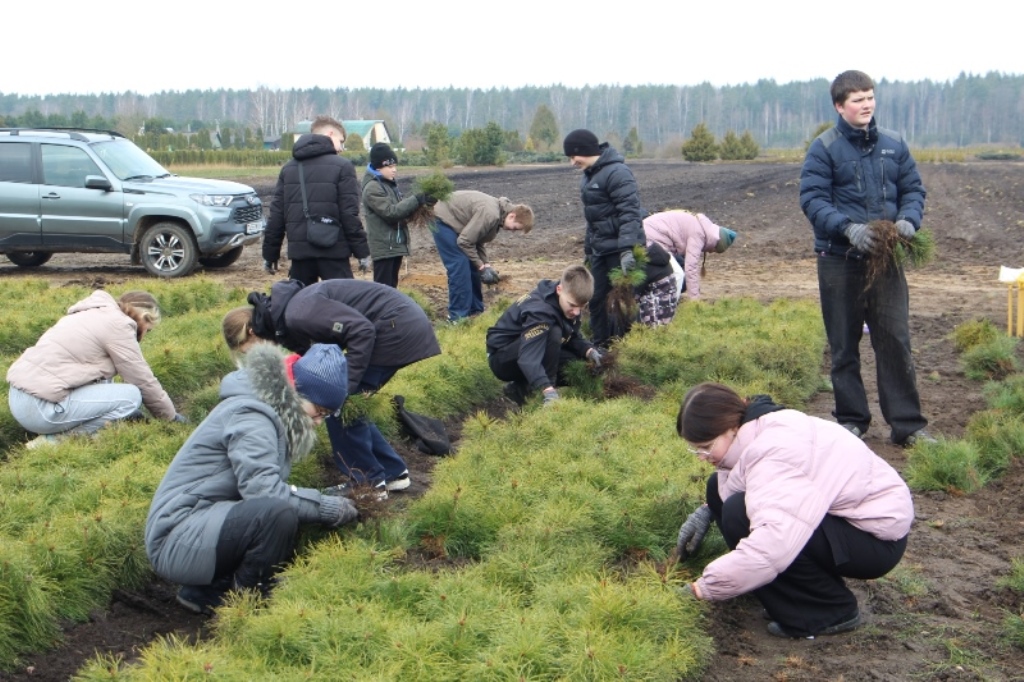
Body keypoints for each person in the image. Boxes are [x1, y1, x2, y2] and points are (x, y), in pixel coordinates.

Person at [674, 382, 912, 639]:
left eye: (707, 446)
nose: (701, 456)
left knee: (738, 513)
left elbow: (774, 542)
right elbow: (742, 485)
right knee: (719, 493)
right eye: (695, 449)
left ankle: (829, 611)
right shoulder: (758, 427)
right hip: (847, 521)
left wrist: (702, 589)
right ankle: (789, 596)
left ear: (732, 428)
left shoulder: (775, 453)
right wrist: (708, 509)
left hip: (874, 539)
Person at [145, 343, 359, 615]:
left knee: (282, 510)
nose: (318, 421)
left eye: (326, 415)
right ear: (294, 392)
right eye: (317, 410)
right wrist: (325, 506)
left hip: (199, 527)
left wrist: (320, 499)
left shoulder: (270, 412)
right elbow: (264, 493)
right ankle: (245, 602)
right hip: (176, 538)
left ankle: (205, 590)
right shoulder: (253, 416)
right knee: (276, 513)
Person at [799, 70, 932, 447]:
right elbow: (812, 199)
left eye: (870, 97)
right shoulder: (824, 149)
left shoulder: (893, 144)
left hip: (885, 260)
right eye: (857, 99)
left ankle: (907, 426)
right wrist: (848, 228)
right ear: (840, 107)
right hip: (839, 260)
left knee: (895, 340)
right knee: (843, 344)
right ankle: (852, 421)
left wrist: (908, 220)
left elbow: (913, 189)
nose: (866, 105)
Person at [226, 278, 441, 496]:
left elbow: (362, 330)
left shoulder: (298, 313)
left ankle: (367, 485)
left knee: (335, 404)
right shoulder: (286, 318)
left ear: (252, 333)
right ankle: (392, 473)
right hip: (394, 324)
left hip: (395, 327)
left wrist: (344, 387)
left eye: (249, 351)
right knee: (347, 404)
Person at [6, 290, 184, 448]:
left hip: (20, 400)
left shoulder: (92, 314)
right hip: (42, 409)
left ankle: (61, 435)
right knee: (131, 396)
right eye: (149, 330)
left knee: (124, 400)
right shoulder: (119, 325)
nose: (145, 335)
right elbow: (142, 379)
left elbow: (98, 381)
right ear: (144, 318)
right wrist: (171, 418)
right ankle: (55, 441)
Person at [262, 115, 371, 286]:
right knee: (342, 306)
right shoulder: (343, 167)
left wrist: (270, 254)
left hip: (301, 256)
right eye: (341, 141)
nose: (342, 148)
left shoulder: (289, 169)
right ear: (329, 135)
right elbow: (349, 214)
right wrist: (362, 252)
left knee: (300, 307)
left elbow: (276, 216)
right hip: (334, 252)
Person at [563, 128, 646, 349]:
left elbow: (630, 212)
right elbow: (592, 220)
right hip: (600, 251)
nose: (572, 163)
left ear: (586, 151)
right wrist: (589, 251)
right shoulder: (588, 177)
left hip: (620, 252)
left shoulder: (618, 172)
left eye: (573, 156)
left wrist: (628, 249)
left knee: (626, 301)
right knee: (596, 298)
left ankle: (632, 345)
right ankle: (601, 344)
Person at [485, 264, 603, 406]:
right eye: (572, 305)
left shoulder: (565, 301)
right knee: (553, 332)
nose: (577, 312)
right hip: (503, 357)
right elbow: (528, 359)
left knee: (583, 363)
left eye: (581, 307)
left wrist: (589, 350)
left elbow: (571, 335)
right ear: (559, 289)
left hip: (530, 347)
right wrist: (548, 390)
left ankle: (519, 388)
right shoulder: (540, 312)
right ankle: (538, 394)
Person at [431, 189, 534, 322]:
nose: (513, 232)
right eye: (515, 228)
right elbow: (465, 242)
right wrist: (481, 266)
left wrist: (486, 265)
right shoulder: (491, 214)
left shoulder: (499, 216)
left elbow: (477, 240)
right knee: (460, 265)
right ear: (512, 216)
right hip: (443, 219)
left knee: (473, 266)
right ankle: (457, 317)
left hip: (458, 225)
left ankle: (476, 311)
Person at [361, 142, 435, 288]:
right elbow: (391, 212)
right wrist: (416, 199)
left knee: (391, 288)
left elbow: (402, 212)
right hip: (384, 248)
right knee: (383, 290)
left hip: (394, 245)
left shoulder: (388, 185)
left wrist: (423, 203)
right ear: (378, 167)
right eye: (390, 167)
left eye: (395, 166)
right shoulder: (372, 188)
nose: (394, 170)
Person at [643, 210, 737, 301]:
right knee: (678, 274)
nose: (710, 252)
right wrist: (695, 300)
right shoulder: (699, 234)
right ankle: (666, 308)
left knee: (677, 270)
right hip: (651, 239)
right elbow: (691, 268)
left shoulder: (701, 226)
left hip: (649, 234)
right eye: (714, 250)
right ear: (716, 243)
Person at [634, 241, 679, 327]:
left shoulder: (644, 266)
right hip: (670, 306)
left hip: (656, 311)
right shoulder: (662, 259)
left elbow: (635, 294)